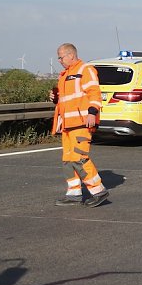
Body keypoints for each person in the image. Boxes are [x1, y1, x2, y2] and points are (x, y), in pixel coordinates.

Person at [49, 43, 109, 207]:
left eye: (61, 57)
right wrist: (55, 97)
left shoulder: (85, 69)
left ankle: (98, 191)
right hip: (68, 125)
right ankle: (74, 194)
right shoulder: (65, 75)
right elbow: (66, 99)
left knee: (79, 158)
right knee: (68, 160)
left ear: (70, 55)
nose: (59, 60)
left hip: (81, 122)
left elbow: (94, 93)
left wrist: (92, 112)